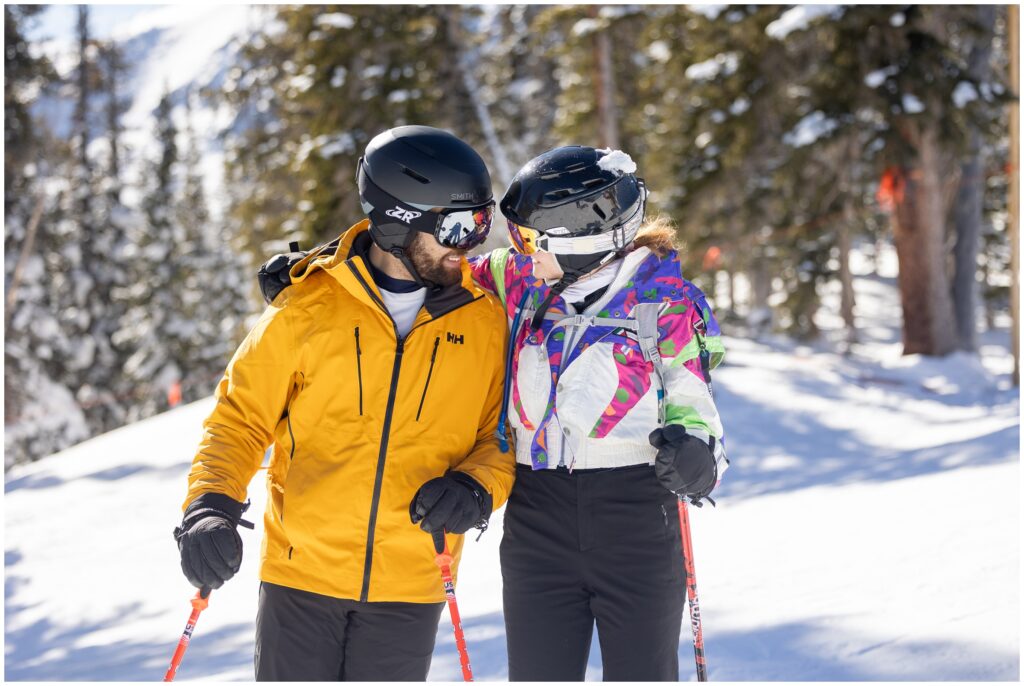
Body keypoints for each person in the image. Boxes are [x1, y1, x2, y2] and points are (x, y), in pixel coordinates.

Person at [260, 145, 728, 681]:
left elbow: (696, 408)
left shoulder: (665, 304)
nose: (518, 250)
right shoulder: (523, 282)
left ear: (582, 236)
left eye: (529, 239)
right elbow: (422, 257)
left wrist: (696, 456)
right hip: (538, 519)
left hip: (636, 517)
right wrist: (321, 267)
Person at [175, 125, 515, 681]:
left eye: (480, 223)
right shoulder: (306, 309)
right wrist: (209, 504)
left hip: (412, 582)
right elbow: (238, 419)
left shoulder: (483, 321)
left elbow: (499, 438)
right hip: (300, 580)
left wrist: (476, 488)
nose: (471, 243)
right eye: (456, 226)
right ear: (399, 220)